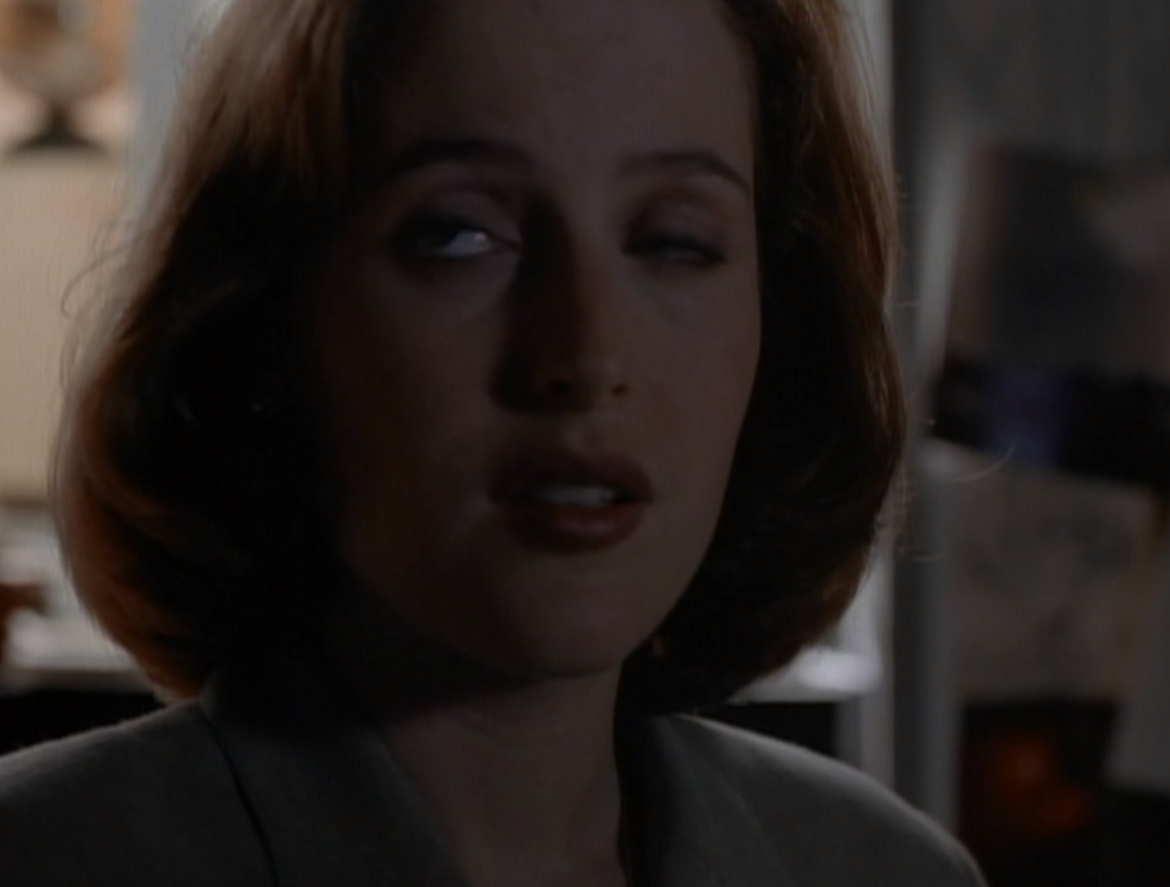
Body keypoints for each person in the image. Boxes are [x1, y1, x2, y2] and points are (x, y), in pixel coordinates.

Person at [0, 0, 987, 885]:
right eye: (458, 234)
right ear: (268, 317)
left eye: (675, 241)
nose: (585, 355)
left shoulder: (884, 869)